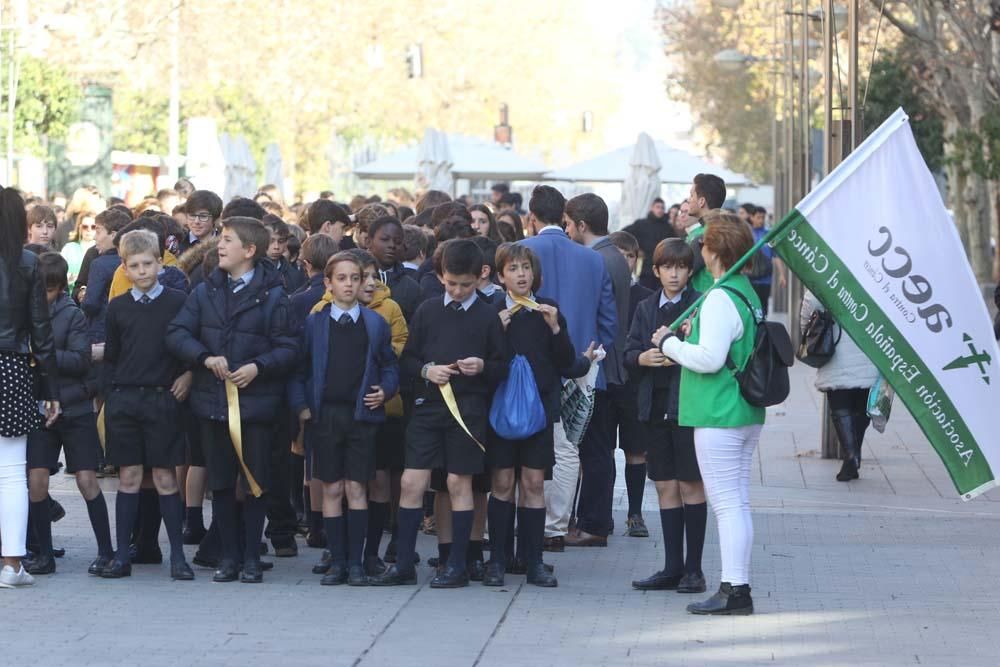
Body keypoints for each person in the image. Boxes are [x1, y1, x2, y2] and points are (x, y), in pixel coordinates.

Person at [166, 217, 298, 583]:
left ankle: (252, 556)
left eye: (227, 240)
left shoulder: (273, 295)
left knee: (254, 481)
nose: (219, 246)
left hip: (256, 405)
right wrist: (203, 358)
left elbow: (289, 347)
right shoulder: (205, 291)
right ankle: (228, 555)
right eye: (220, 239)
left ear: (249, 250)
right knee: (221, 481)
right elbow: (177, 332)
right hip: (213, 402)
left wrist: (259, 367)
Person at [370, 239, 508, 588]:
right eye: (451, 283)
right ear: (439, 276)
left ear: (481, 277)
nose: (458, 291)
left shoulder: (488, 315)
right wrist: (426, 371)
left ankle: (457, 564)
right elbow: (409, 359)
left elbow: (502, 366)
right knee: (411, 481)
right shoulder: (428, 310)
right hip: (428, 407)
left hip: (469, 410)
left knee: (458, 481)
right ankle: (403, 562)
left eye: (465, 284)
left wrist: (482, 366)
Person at [652, 211, 765, 616]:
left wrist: (669, 344)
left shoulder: (720, 296)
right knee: (737, 502)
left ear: (715, 249)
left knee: (727, 505)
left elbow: (709, 359)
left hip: (718, 411)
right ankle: (737, 585)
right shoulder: (745, 291)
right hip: (742, 410)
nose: (699, 250)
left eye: (703, 245)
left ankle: (735, 589)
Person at [290, 252, 399, 586]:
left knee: (357, 487)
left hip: (361, 415)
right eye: (342, 278)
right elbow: (299, 369)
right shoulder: (315, 322)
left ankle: (357, 562)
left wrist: (386, 390)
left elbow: (390, 364)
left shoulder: (375, 323)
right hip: (326, 416)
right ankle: (336, 560)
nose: (349, 284)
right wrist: (303, 407)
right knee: (332, 487)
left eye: (356, 278)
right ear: (328, 283)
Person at [519, 186, 616, 552]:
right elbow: (609, 322)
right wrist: (593, 357)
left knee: (529, 442)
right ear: (563, 217)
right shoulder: (593, 259)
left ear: (532, 217)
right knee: (568, 447)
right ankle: (556, 525)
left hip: (531, 364)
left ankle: (532, 516)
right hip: (581, 363)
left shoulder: (522, 253)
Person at [99, 230, 194, 581]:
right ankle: (122, 555)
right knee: (129, 476)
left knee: (166, 477)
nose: (142, 271)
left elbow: (190, 344)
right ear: (124, 267)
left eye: (148, 264)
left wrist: (187, 375)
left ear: (160, 263)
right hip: (125, 399)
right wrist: (111, 396)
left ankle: (178, 558)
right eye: (134, 266)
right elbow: (111, 357)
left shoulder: (178, 301)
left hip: (163, 398)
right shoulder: (117, 307)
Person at [486, 243, 579, 588]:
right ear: (500, 276)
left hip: (539, 409)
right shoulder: (493, 310)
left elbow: (567, 361)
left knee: (534, 482)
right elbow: (485, 360)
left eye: (526, 268)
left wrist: (556, 328)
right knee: (502, 483)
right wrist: (498, 329)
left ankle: (534, 560)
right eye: (513, 269)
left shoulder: (547, 309)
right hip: (501, 411)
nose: (521, 274)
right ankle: (497, 558)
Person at [626, 238, 706, 594]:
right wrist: (642, 358)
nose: (674, 274)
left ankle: (694, 570)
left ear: (690, 271)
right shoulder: (645, 307)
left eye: (681, 267)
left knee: (691, 484)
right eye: (667, 267)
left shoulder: (700, 305)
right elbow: (628, 350)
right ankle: (672, 566)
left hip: (688, 407)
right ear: (655, 271)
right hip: (653, 408)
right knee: (664, 486)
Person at [24, 253, 112, 577]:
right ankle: (42, 554)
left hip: (74, 407)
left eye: (48, 289)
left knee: (87, 479)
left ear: (61, 288)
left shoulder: (72, 315)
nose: (42, 295)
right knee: (36, 480)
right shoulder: (24, 313)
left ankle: (106, 551)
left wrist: (42, 353)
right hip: (39, 409)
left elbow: (80, 360)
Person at [562, 193, 630, 548]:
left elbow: (605, 318)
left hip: (603, 367)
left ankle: (593, 524)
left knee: (595, 449)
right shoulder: (612, 255)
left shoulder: (597, 259)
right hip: (610, 366)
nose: (566, 230)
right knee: (598, 449)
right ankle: (595, 520)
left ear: (582, 225)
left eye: (569, 224)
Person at [0, 188, 59, 588]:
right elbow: (42, 331)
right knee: (11, 473)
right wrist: (50, 388)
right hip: (12, 367)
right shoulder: (26, 264)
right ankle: (12, 564)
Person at [800, 291, 878, 481]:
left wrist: (806, 329)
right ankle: (853, 454)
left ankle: (851, 455)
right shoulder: (875, 271)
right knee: (861, 406)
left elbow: (811, 304)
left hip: (836, 347)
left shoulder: (830, 269)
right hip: (871, 346)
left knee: (840, 404)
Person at [607, 231, 653, 537]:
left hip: (636, 384)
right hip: (606, 382)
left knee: (636, 451)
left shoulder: (648, 297)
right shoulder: (601, 292)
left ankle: (635, 513)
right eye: (619, 255)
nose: (625, 261)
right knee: (600, 452)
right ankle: (598, 511)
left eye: (631, 255)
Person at [81, 208, 133, 344]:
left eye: (98, 231)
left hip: (101, 331)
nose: (94, 237)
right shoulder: (134, 260)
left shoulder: (100, 264)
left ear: (114, 235)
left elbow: (90, 304)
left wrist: (84, 296)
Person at [368, 216, 422, 321]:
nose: (392, 245)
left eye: (397, 242)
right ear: (368, 242)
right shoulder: (354, 279)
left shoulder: (411, 287)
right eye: (384, 239)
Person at [684, 174, 727, 293]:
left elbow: (683, 272)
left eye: (691, 195)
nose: (688, 199)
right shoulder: (726, 228)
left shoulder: (708, 234)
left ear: (701, 201)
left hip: (705, 299)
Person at [623, 197, 677, 291]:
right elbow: (624, 234)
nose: (660, 210)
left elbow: (674, 245)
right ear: (651, 208)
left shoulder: (668, 227)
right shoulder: (641, 224)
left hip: (663, 268)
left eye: (662, 208)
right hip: (645, 268)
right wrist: (635, 250)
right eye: (658, 207)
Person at [747, 205, 786, 317]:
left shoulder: (769, 234)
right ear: (752, 217)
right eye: (758, 217)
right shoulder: (747, 233)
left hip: (766, 279)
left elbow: (776, 255)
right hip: (750, 278)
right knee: (752, 307)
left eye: (763, 217)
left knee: (764, 307)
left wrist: (782, 274)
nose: (761, 220)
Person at [263, 215, 307, 293]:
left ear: (286, 242)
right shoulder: (251, 269)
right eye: (271, 241)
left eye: (281, 241)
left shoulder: (295, 275)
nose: (276, 247)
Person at [61, 208, 99, 292]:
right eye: (85, 226)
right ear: (79, 228)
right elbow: (58, 272)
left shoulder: (101, 250)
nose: (89, 229)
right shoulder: (69, 248)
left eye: (93, 227)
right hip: (69, 295)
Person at [177, 190, 222, 255]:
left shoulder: (224, 245)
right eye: (192, 215)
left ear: (215, 219)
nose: (196, 221)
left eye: (203, 216)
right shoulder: (178, 244)